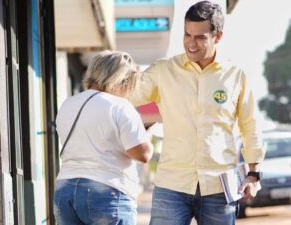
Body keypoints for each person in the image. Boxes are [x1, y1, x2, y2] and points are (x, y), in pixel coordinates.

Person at [130, 1, 265, 225]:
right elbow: (125, 95)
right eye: (187, 35)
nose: (191, 44)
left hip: (219, 188)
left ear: (218, 37)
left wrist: (254, 174)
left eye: (200, 37)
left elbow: (250, 126)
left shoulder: (235, 76)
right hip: (171, 186)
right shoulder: (164, 71)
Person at [53, 50, 153, 225]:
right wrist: (147, 135)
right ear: (121, 80)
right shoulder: (120, 106)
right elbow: (142, 154)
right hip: (106, 190)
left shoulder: (68, 104)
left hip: (65, 189)